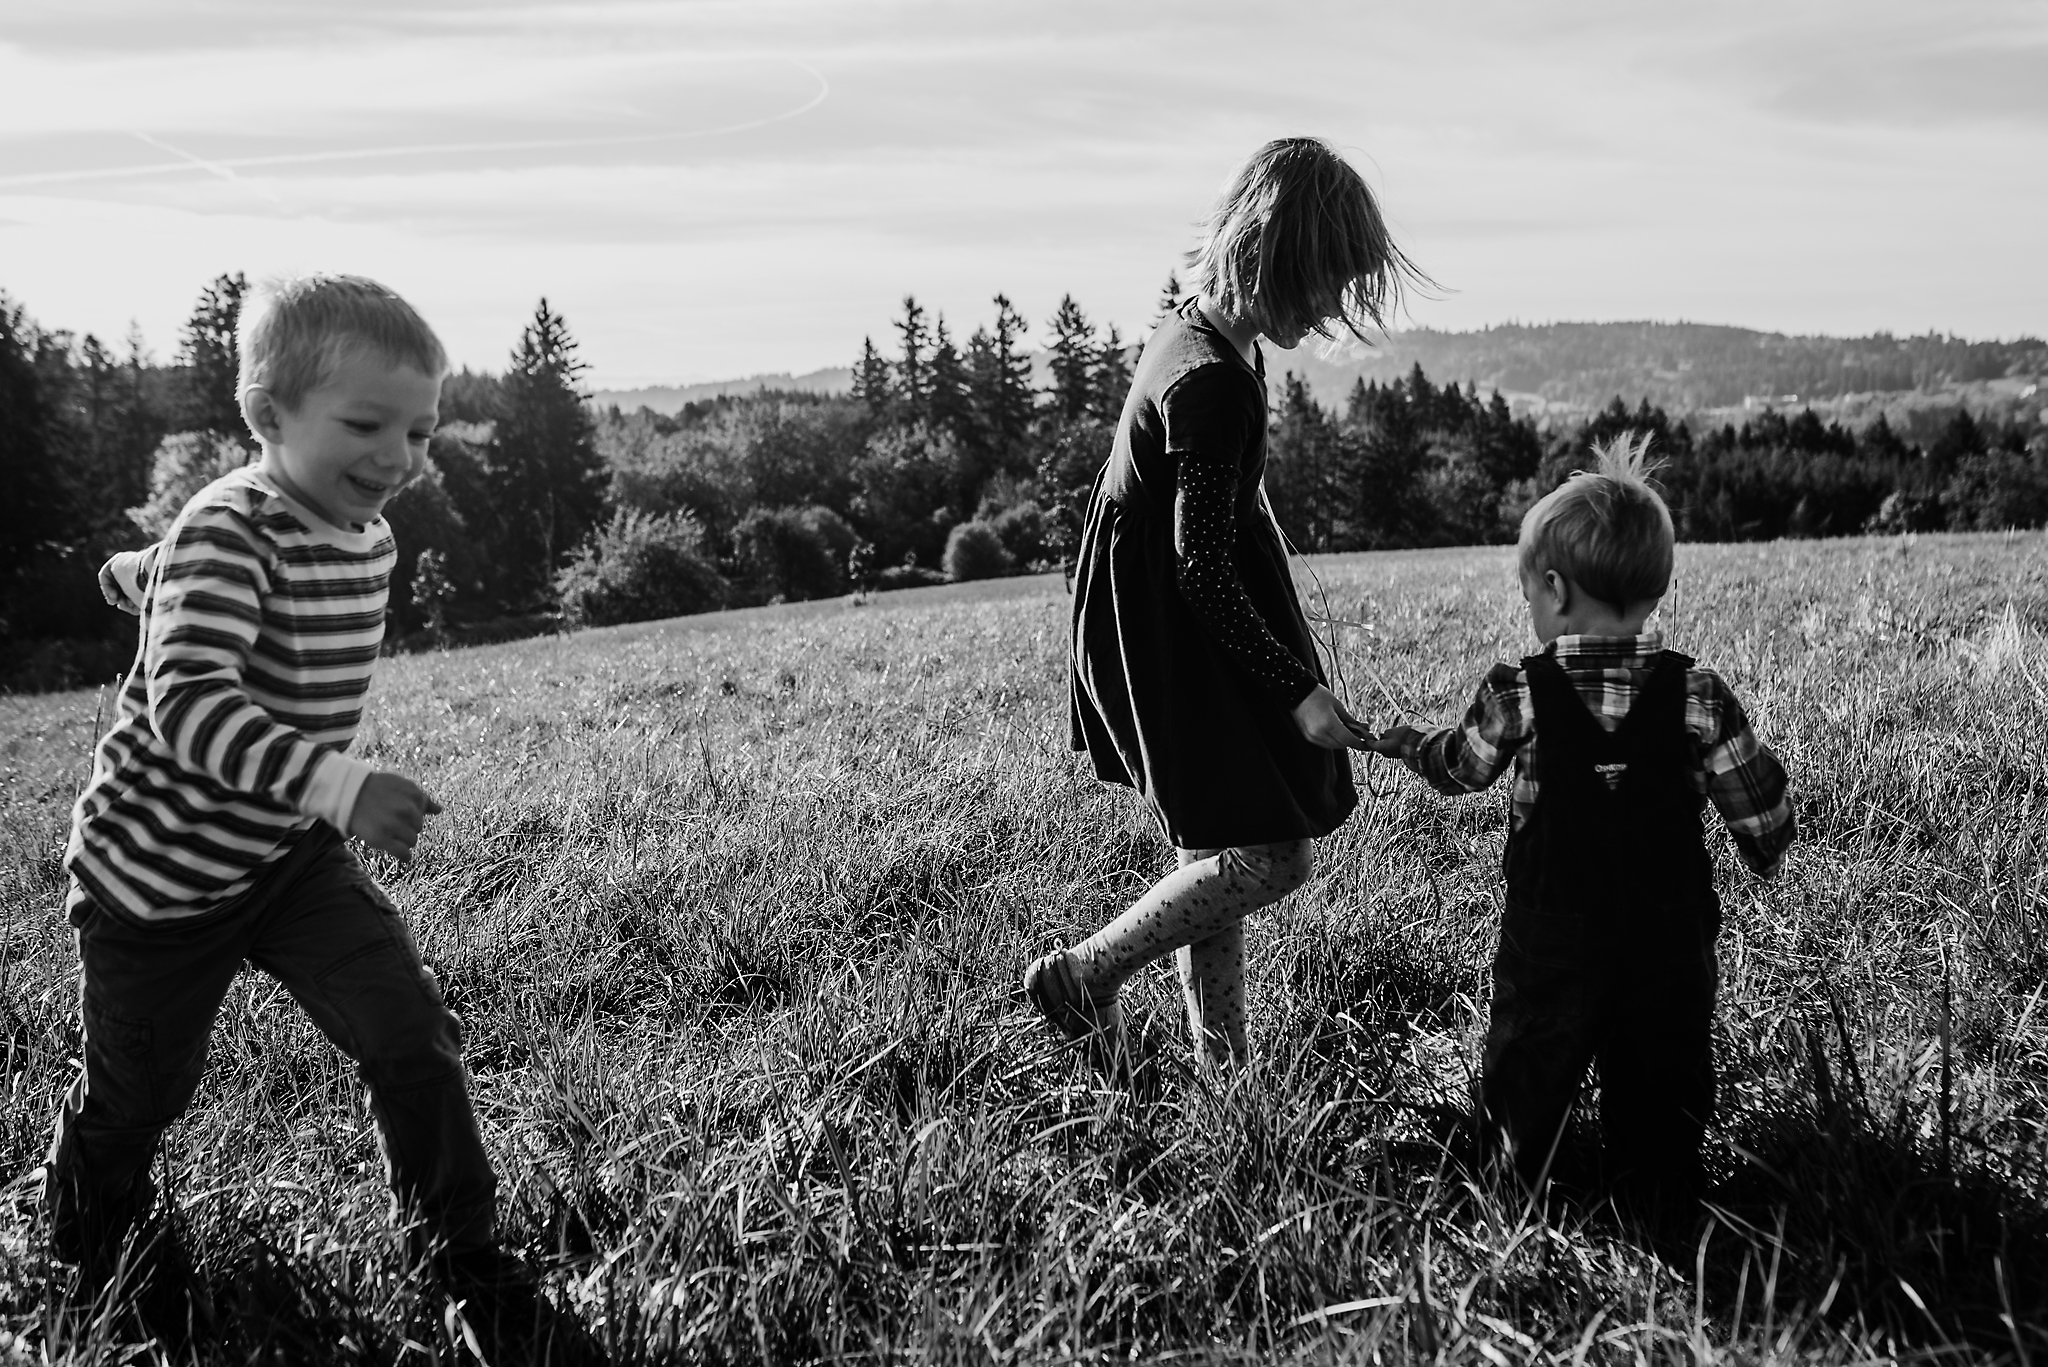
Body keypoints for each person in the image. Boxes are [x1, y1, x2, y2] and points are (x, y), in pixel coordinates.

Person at [47, 273, 550, 1354]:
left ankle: (458, 1247)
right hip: (159, 884)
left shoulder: (361, 533)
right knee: (140, 1095)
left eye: (418, 429)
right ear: (269, 419)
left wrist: (139, 572)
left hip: (285, 859)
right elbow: (187, 701)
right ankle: (78, 1244)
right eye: (364, 424)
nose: (399, 456)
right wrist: (337, 782)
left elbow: (185, 571)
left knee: (408, 1028)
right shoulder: (230, 527)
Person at [1026, 137, 1427, 1070]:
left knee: (1221, 834)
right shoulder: (1210, 382)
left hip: (1171, 620)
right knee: (1272, 856)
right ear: (1274, 258)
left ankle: (1224, 1067)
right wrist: (1297, 690)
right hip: (1178, 634)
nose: (1330, 309)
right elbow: (1200, 568)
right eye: (1322, 283)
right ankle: (1084, 975)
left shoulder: (1206, 336)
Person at [1366, 431, 1796, 1225]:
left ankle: (1524, 1185)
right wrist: (1766, 846)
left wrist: (1408, 744)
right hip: (1669, 935)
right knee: (1664, 1064)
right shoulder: (1699, 694)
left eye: (1530, 591)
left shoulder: (1518, 693)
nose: (1530, 607)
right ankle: (1659, 1183)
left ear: (1557, 590)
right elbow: (1762, 811)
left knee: (1530, 1056)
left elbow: (1460, 765)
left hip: (1551, 933)